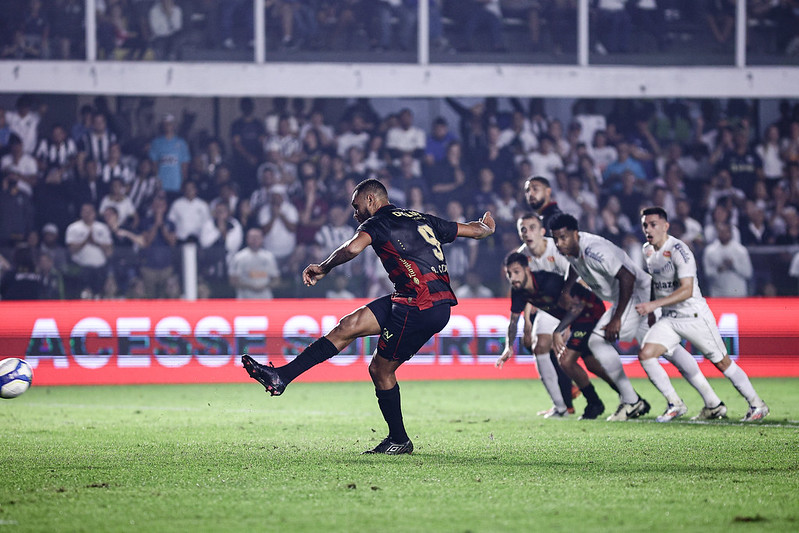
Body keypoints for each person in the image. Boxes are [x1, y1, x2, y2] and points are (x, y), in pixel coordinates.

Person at [242, 178, 495, 455]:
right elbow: (475, 230)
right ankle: (281, 377)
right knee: (347, 326)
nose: (355, 213)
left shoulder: (377, 223)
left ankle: (399, 439)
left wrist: (324, 267)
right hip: (413, 298)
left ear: (371, 200)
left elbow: (352, 248)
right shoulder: (422, 219)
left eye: (356, 206)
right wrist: (486, 226)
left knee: (380, 370)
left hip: (419, 305)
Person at [551, 213, 727, 422]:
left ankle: (632, 401)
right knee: (669, 349)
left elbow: (628, 277)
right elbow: (575, 265)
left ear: (576, 234)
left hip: (635, 294)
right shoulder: (573, 250)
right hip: (636, 295)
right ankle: (712, 402)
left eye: (563, 238)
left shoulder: (595, 250)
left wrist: (617, 318)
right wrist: (567, 289)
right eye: (556, 239)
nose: (559, 243)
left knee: (597, 340)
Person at [635, 207, 769, 421]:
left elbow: (687, 289)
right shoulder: (647, 251)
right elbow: (656, 281)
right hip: (669, 318)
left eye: (653, 224)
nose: (648, 229)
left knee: (722, 362)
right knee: (646, 354)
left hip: (694, 316)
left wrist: (653, 305)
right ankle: (675, 404)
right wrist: (654, 310)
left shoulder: (680, 250)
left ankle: (757, 404)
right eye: (645, 225)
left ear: (665, 226)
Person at [501, 251, 648, 420]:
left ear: (527, 269)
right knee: (592, 364)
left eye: (516, 272)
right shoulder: (518, 290)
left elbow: (576, 307)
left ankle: (595, 403)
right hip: (576, 319)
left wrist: (558, 330)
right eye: (509, 274)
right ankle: (633, 399)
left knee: (566, 360)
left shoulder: (548, 282)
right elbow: (513, 321)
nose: (513, 277)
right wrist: (508, 346)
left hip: (589, 312)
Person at [495, 214, 577, 417]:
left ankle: (623, 400)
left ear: (542, 231)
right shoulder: (521, 260)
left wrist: (569, 322)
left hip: (576, 305)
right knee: (541, 347)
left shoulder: (556, 249)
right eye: (523, 229)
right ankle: (562, 405)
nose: (527, 233)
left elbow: (576, 278)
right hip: (549, 309)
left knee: (588, 355)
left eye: (532, 228)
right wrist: (528, 322)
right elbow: (526, 294)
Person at [228, 227, 281, 299]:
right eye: (252, 237)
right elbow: (233, 281)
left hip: (265, 298)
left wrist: (264, 286)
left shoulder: (269, 257)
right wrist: (251, 286)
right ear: (247, 239)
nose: (254, 240)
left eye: (257, 237)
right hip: (245, 299)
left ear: (262, 239)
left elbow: (276, 279)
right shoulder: (239, 257)